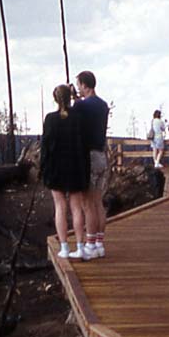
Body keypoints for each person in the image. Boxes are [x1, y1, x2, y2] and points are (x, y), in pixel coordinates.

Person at [40, 84, 90, 259]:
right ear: (70, 97)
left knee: (60, 206)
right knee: (77, 208)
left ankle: (64, 248)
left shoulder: (50, 119)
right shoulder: (78, 117)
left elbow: (45, 147)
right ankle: (80, 246)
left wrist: (43, 170)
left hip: (56, 168)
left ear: (55, 99)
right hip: (76, 167)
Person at [72, 70, 110, 260]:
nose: (78, 88)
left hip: (89, 156)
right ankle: (99, 243)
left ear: (85, 85)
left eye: (79, 85)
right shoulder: (103, 105)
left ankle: (90, 244)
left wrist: (73, 99)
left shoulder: (81, 106)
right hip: (102, 155)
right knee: (98, 203)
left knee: (87, 204)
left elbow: (73, 117)